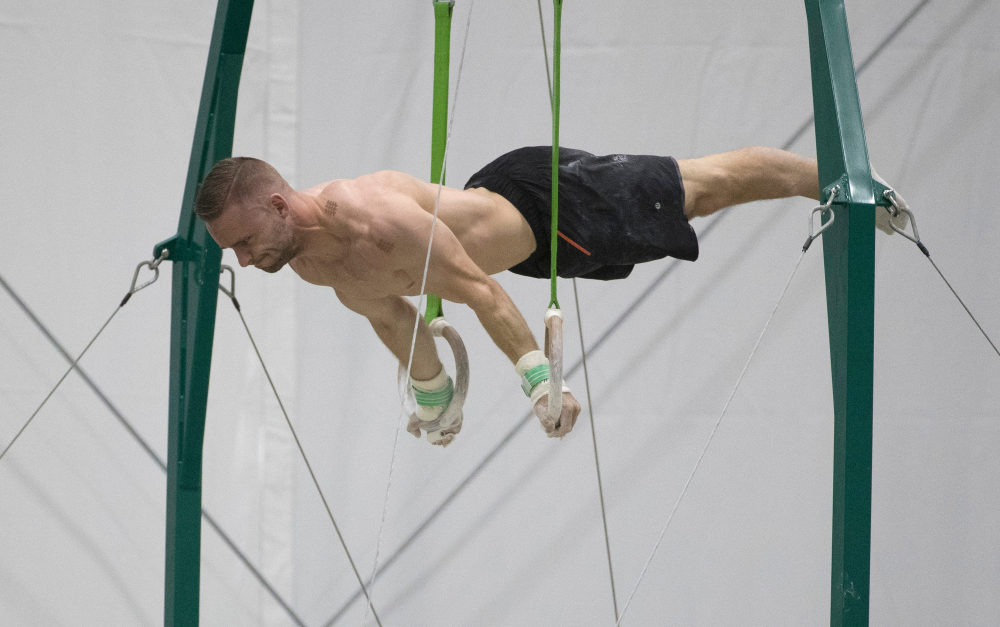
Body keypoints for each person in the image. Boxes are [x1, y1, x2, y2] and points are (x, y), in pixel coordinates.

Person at [197, 146, 903, 446]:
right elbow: (391, 316)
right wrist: (438, 401)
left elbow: (476, 287)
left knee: (701, 189)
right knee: (689, 200)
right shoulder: (308, 264)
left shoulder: (372, 216)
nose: (240, 257)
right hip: (539, 251)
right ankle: (835, 181)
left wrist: (541, 385)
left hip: (536, 203)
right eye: (231, 249)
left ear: (280, 203)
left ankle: (844, 181)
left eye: (242, 238)